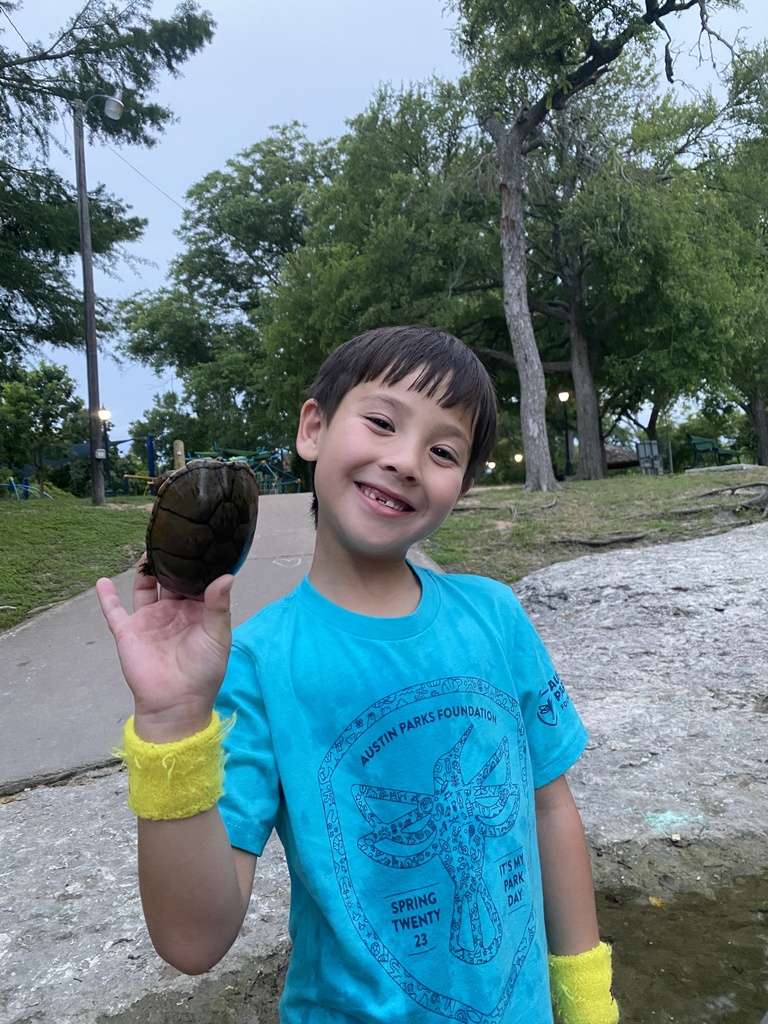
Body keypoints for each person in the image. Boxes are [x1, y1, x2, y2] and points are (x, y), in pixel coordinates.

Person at [97, 325, 618, 1024]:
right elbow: (193, 941)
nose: (405, 460)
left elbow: (549, 809)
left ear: (460, 486)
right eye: (380, 422)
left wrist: (585, 998)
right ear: (314, 427)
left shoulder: (494, 616)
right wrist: (169, 723)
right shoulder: (255, 663)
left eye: (442, 451)